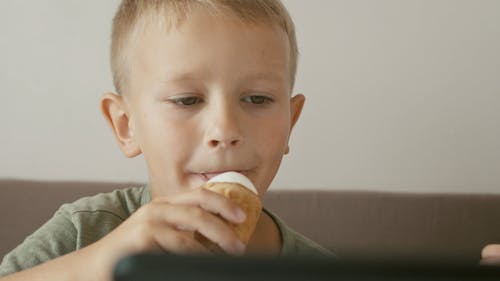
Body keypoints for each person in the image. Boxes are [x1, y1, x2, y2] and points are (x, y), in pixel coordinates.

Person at [0, 0, 333, 280]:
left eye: (257, 99)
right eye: (187, 100)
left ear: (291, 122)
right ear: (126, 125)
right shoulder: (84, 234)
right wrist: (99, 264)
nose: (225, 131)